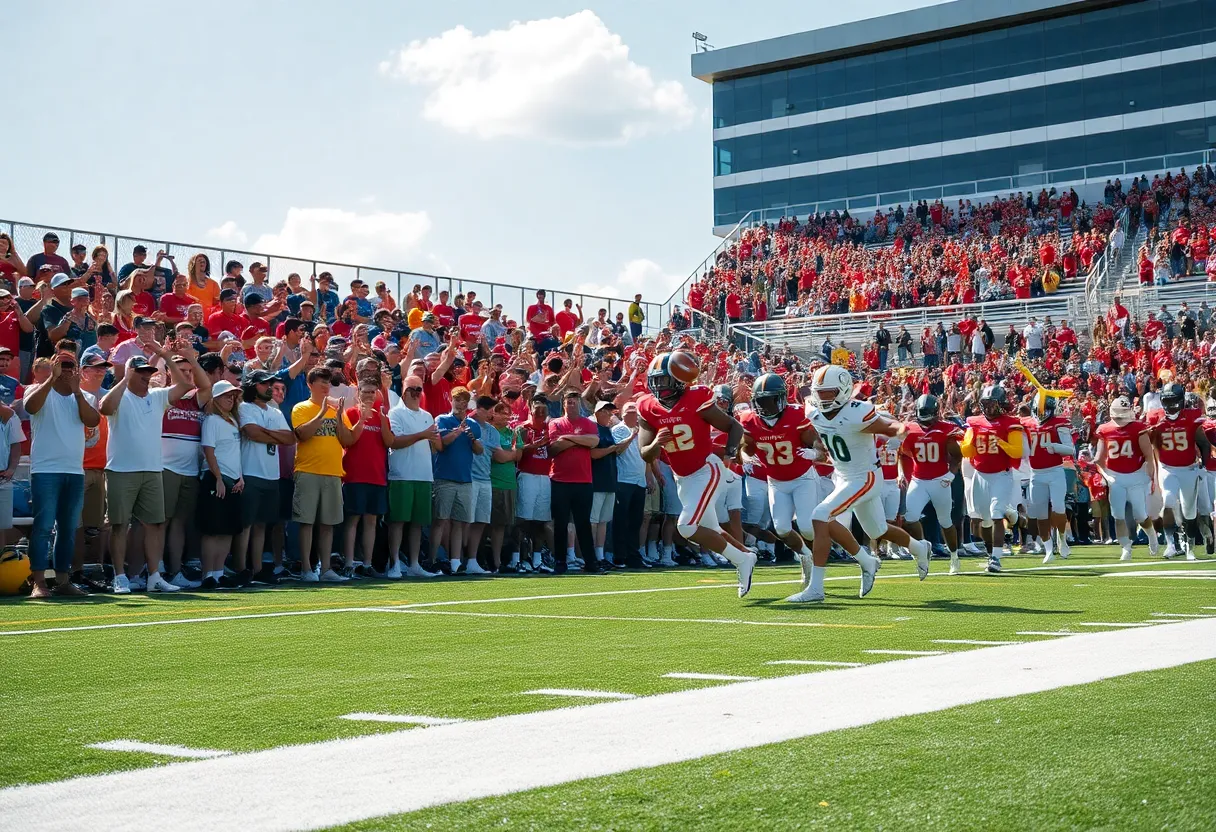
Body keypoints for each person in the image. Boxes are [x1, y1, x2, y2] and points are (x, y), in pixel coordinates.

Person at [805, 364, 931, 595]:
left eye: (828, 393)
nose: (822, 398)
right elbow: (821, 435)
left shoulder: (857, 411)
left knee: (820, 515)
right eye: (819, 392)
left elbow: (886, 425)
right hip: (843, 476)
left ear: (843, 390)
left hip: (865, 476)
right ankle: (919, 547)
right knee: (878, 530)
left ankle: (819, 586)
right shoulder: (812, 410)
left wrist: (899, 428)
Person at [637, 351, 756, 593]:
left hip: (706, 469)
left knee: (687, 527)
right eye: (656, 380)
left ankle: (742, 560)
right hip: (683, 478)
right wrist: (657, 443)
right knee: (711, 529)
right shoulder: (647, 407)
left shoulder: (696, 398)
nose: (659, 385)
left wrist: (728, 458)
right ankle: (746, 555)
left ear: (679, 380)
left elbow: (734, 426)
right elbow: (645, 454)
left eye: (664, 380)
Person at [99, 347, 194, 594]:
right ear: (130, 372)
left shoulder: (158, 395)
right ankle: (120, 577)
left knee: (156, 524)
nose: (146, 375)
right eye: (140, 371)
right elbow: (105, 408)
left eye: (148, 371)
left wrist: (164, 355)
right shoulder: (120, 395)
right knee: (120, 525)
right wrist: (124, 378)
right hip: (121, 470)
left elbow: (184, 385)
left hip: (152, 470)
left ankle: (154, 576)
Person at [24, 350, 98, 597]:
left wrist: (77, 391)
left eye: (71, 365)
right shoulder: (36, 390)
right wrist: (50, 379)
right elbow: (30, 407)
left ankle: (63, 581)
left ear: (78, 369)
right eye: (62, 365)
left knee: (67, 529)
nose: (66, 370)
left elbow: (93, 420)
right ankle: (39, 583)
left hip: (74, 471)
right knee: (43, 527)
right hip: (45, 470)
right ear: (54, 365)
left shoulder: (85, 395)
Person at [291, 367, 357, 582]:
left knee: (328, 523)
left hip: (333, 472)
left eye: (328, 383)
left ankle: (326, 569)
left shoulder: (337, 410)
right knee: (307, 522)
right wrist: (321, 412)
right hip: (308, 470)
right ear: (310, 385)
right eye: (322, 383)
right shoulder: (301, 408)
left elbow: (347, 440)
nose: (326, 386)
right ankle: (307, 569)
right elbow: (303, 434)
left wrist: (338, 416)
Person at [236, 370, 295, 585]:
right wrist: (272, 434)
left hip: (271, 475)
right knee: (246, 524)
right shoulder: (244, 407)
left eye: (271, 383)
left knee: (261, 524)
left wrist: (266, 432)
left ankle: (258, 568)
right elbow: (252, 433)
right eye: (264, 384)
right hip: (250, 471)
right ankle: (242, 568)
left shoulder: (275, 412)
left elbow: (289, 438)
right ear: (252, 386)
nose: (269, 387)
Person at [960, 385, 1026, 573]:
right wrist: (967, 444)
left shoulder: (1010, 423)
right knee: (983, 521)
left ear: (1000, 404)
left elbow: (1017, 451)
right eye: (985, 404)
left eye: (992, 404)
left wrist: (1001, 442)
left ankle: (997, 557)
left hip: (1001, 474)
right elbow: (966, 450)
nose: (988, 408)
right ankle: (991, 554)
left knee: (996, 514)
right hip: (980, 475)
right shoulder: (974, 422)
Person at [899, 394, 965, 574]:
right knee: (910, 518)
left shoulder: (946, 429)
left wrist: (951, 475)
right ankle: (922, 548)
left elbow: (957, 456)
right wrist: (903, 474)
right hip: (919, 480)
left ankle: (954, 557)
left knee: (945, 521)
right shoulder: (910, 429)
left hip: (939, 480)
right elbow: (903, 454)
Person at [384, 375, 441, 578]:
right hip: (402, 475)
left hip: (424, 475)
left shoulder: (427, 415)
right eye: (412, 389)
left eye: (419, 389)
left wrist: (434, 438)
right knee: (398, 521)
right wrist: (423, 435)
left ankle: (415, 564)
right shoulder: (395, 413)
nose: (416, 393)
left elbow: (436, 447)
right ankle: (395, 564)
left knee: (417, 523)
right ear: (403, 391)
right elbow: (395, 441)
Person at [1095, 397, 1159, 562]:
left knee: (1140, 514)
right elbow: (1098, 460)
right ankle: (1126, 548)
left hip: (1136, 475)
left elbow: (1148, 456)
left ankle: (1151, 533)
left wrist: (1151, 474)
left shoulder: (1138, 428)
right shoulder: (1105, 429)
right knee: (1117, 515)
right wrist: (1106, 475)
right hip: (1115, 476)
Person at [197, 380, 245, 588]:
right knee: (212, 529)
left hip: (233, 480)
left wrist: (240, 477)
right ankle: (208, 574)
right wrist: (217, 478)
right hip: (217, 478)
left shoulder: (233, 421)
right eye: (226, 395)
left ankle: (218, 572)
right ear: (215, 399)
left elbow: (235, 452)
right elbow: (209, 451)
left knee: (227, 530)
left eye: (233, 396)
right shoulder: (211, 421)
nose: (230, 398)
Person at [548, 390, 603, 573]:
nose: (571, 404)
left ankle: (590, 563)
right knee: (561, 523)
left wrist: (569, 438)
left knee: (583, 524)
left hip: (583, 481)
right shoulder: (555, 423)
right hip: (560, 480)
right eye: (568, 402)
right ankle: (560, 562)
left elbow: (594, 441)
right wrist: (581, 441)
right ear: (563, 404)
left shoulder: (588, 423)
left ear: (579, 403)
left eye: (574, 401)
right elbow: (555, 448)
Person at [341, 380, 391, 577]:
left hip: (377, 476)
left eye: (373, 392)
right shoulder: (351, 413)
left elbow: (389, 442)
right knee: (352, 519)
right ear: (358, 394)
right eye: (366, 391)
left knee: (371, 521)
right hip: (354, 475)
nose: (370, 395)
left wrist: (383, 419)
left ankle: (367, 564)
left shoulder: (382, 417)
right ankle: (348, 562)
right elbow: (348, 440)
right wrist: (362, 417)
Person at [431, 386, 483, 573]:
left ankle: (455, 561)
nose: (461, 403)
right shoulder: (442, 419)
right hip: (444, 477)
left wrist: (472, 438)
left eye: (464, 400)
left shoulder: (473, 425)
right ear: (451, 401)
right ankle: (433, 559)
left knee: (460, 522)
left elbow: (479, 451)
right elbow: (443, 443)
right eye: (457, 399)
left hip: (465, 479)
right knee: (440, 520)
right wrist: (458, 431)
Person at [1022, 395, 1077, 563]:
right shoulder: (1026, 423)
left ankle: (1062, 537)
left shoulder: (1059, 423)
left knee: (1058, 507)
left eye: (1044, 410)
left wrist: (1055, 447)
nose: (1040, 413)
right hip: (1035, 473)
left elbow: (1071, 450)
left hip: (1055, 471)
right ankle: (1047, 549)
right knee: (1040, 514)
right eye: (1037, 410)